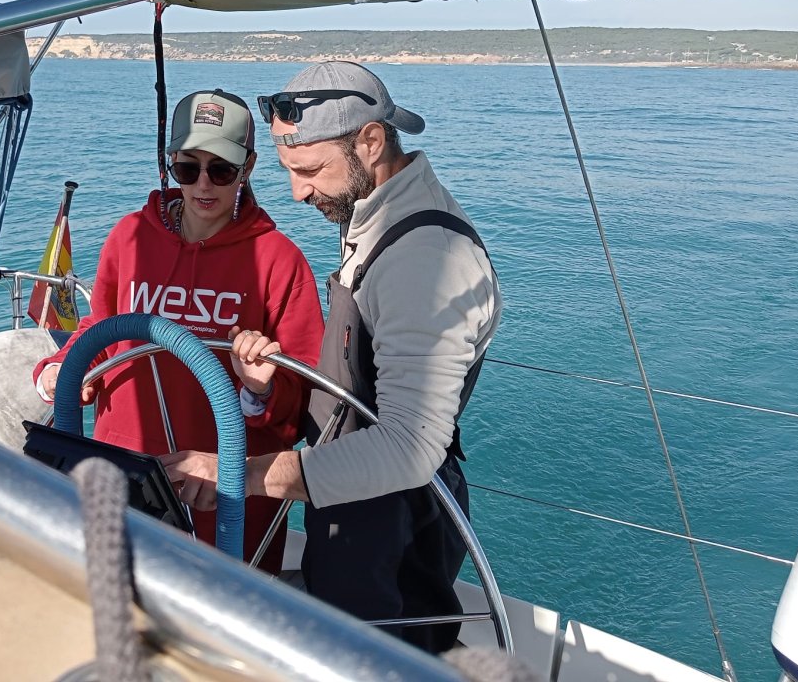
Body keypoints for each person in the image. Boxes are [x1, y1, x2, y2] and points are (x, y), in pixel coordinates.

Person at [161, 62, 501, 653]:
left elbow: (406, 448)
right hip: (353, 508)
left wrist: (235, 474)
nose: (296, 191)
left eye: (310, 170)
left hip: (391, 528)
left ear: (370, 141)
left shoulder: (426, 260)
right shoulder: (381, 218)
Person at [34, 89, 324, 572]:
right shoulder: (129, 236)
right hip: (123, 473)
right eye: (188, 168)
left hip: (226, 495)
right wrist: (61, 369)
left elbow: (305, 398)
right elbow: (99, 328)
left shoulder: (279, 261)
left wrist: (259, 390)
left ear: (248, 168)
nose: (203, 184)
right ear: (170, 165)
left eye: (222, 169)